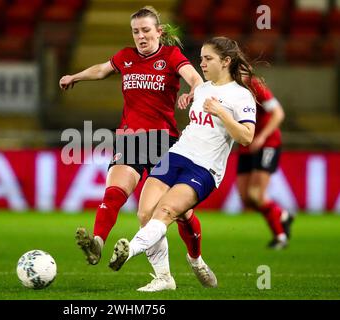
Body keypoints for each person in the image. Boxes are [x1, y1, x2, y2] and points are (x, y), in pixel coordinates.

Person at [59, 6, 203, 291]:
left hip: (165, 141)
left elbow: (195, 78)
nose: (141, 36)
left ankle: (196, 259)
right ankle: (98, 242)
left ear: (159, 31)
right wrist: (74, 76)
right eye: (136, 31)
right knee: (115, 192)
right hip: (131, 139)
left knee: (178, 213)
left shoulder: (171, 56)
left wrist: (192, 92)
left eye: (146, 30)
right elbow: (102, 69)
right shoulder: (126, 57)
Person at [108, 37, 257, 290]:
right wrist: (189, 98)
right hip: (177, 156)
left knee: (165, 211)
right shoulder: (201, 90)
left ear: (226, 61)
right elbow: (198, 119)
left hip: (205, 168)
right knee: (145, 213)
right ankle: (164, 279)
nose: (202, 64)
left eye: (208, 58)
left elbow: (246, 137)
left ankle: (132, 250)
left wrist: (221, 112)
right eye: (200, 58)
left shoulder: (241, 96)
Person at [236, 76, 294, 249]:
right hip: (246, 145)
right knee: (246, 199)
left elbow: (278, 113)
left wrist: (261, 137)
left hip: (267, 144)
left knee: (256, 194)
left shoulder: (254, 84)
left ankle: (280, 237)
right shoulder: (226, 88)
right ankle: (283, 215)